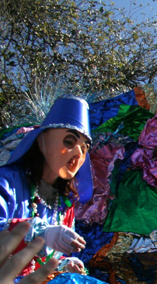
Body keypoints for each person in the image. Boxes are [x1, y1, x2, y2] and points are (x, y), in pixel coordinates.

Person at [0, 96, 91, 274]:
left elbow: (51, 258)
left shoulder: (65, 204)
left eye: (85, 147)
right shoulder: (6, 182)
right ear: (42, 140)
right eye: (69, 142)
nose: (78, 153)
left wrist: (64, 265)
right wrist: (40, 233)